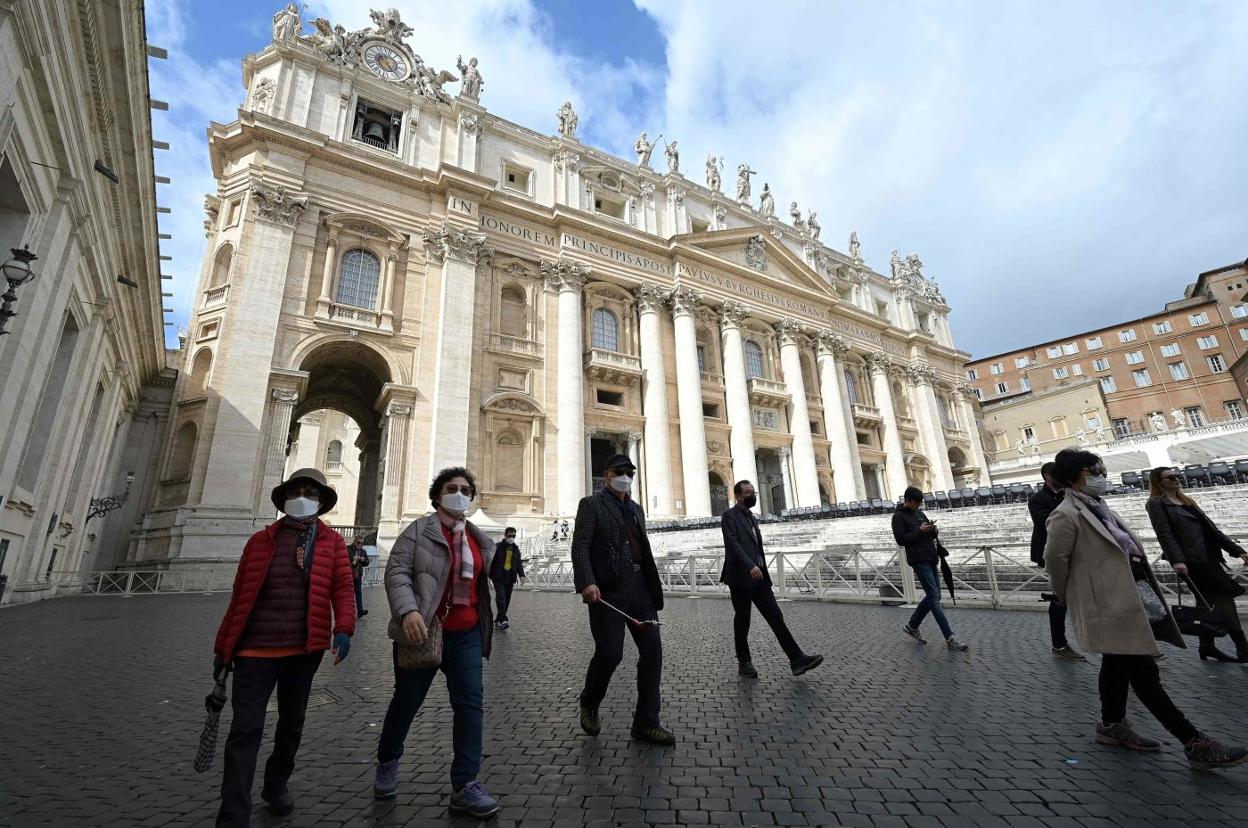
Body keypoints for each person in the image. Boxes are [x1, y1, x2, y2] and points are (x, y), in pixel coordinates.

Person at [1045, 449, 1246, 769]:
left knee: (1115, 662)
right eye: (1092, 470)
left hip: (1130, 596)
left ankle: (1111, 726)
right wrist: (1064, 596)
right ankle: (1194, 742)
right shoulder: (1065, 515)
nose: (1100, 474)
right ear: (1074, 478)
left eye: (1099, 468)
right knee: (1143, 671)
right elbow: (1055, 561)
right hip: (1106, 603)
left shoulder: (1099, 506)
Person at [211, 468, 356, 827]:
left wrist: (345, 628)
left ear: (321, 503)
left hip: (303, 649)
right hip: (254, 649)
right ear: (285, 497)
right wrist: (223, 647)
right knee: (245, 730)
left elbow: (342, 587)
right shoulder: (259, 542)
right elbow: (239, 597)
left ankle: (276, 784)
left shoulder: (332, 543)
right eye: (297, 491)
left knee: (291, 724)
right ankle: (232, 814)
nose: (303, 498)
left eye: (311, 493)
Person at [373, 467, 500, 819]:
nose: (459, 493)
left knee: (471, 704)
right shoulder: (417, 531)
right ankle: (388, 758)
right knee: (407, 701)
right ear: (437, 495)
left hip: (467, 633)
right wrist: (408, 610)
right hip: (424, 630)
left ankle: (465, 784)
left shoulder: (476, 536)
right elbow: (396, 571)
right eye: (451, 488)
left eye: (465, 489)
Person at [572, 453, 674, 746]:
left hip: (641, 589)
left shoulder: (637, 509)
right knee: (611, 653)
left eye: (630, 471)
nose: (626, 476)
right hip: (609, 591)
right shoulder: (591, 505)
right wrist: (586, 581)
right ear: (606, 474)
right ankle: (590, 701)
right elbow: (581, 544)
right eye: (620, 471)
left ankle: (646, 722)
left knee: (653, 653)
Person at [720, 480, 824, 678]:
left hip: (759, 577)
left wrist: (758, 567)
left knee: (775, 616)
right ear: (738, 496)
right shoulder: (729, 516)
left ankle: (796, 659)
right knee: (743, 621)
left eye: (754, 492)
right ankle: (744, 663)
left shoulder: (752, 518)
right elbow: (733, 544)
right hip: (741, 577)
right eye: (748, 493)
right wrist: (749, 565)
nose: (752, 496)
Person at [1146, 466, 1248, 662]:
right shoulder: (1156, 504)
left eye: (1177, 476)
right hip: (1192, 561)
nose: (1177, 479)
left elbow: (1212, 530)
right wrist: (1177, 560)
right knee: (1224, 598)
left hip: (1210, 557)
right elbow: (1164, 534)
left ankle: (1207, 646)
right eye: (1170, 478)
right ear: (1159, 482)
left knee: (1206, 603)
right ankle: (1243, 648)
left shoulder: (1187, 501)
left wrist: (1238, 551)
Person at [894, 486, 969, 651]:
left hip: (930, 556)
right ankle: (950, 637)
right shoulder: (898, 517)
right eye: (916, 503)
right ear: (908, 500)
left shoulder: (919, 513)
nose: (918, 506)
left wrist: (932, 530)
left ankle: (912, 626)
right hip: (918, 559)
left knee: (934, 595)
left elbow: (929, 534)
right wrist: (920, 531)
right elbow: (901, 540)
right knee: (934, 596)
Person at [1029, 462, 1083, 660]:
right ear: (1047, 476)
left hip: (1076, 551)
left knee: (1066, 597)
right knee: (1060, 598)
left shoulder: (1070, 493)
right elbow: (1045, 525)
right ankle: (1059, 644)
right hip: (1053, 552)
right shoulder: (1038, 499)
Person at [489, 527, 525, 630]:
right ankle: (504, 619)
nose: (511, 538)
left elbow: (518, 564)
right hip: (498, 577)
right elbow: (490, 561)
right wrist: (489, 575)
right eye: (510, 535)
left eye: (514, 536)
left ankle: (498, 620)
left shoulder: (516, 549)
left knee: (506, 600)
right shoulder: (497, 547)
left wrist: (522, 575)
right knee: (501, 597)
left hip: (510, 577)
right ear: (505, 535)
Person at [349, 537, 370, 617]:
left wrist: (363, 560)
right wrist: (352, 558)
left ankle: (360, 611)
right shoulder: (348, 549)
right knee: (348, 594)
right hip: (349, 574)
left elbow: (367, 562)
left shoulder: (363, 551)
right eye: (358, 543)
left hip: (358, 575)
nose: (360, 544)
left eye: (361, 543)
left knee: (358, 593)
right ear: (354, 542)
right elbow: (344, 557)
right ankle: (349, 612)